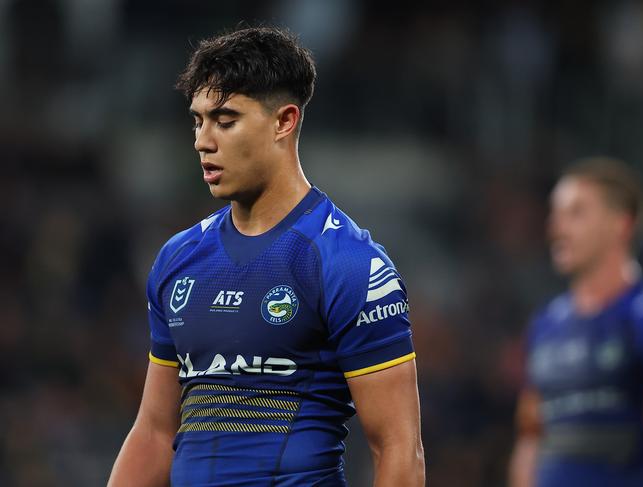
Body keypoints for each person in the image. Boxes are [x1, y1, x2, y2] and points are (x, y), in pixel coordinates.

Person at [108, 26, 425, 487]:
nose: (202, 140)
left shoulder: (349, 264)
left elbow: (399, 449)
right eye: (198, 120)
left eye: (225, 119)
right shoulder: (178, 260)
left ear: (284, 121)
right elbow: (155, 433)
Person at [509, 157, 643, 487]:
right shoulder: (546, 323)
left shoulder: (640, 315)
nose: (556, 227)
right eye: (555, 214)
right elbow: (531, 437)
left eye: (576, 213)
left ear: (621, 225)